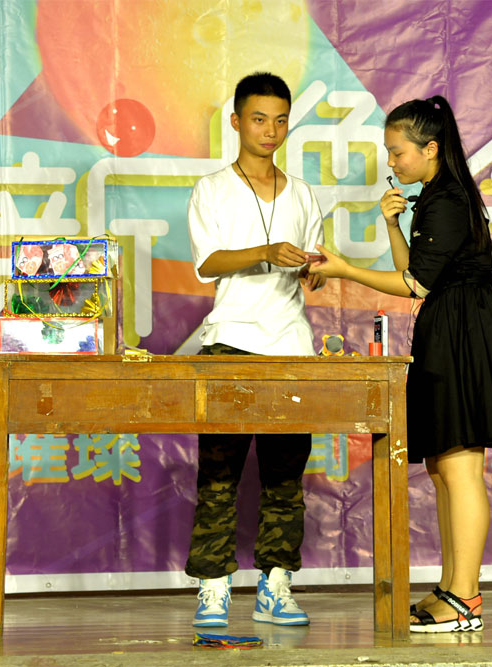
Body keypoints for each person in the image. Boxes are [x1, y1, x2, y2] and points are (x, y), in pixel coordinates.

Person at [309, 95, 492, 633]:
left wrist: (343, 269)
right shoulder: (432, 196)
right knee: (442, 467)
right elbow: (418, 272)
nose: (391, 162)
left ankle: (465, 598)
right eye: (388, 152)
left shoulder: (448, 198)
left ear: (430, 148)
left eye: (397, 152)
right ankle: (452, 588)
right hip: (446, 328)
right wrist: (392, 226)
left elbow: (414, 284)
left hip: (465, 334)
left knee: (461, 467)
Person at [185, 72, 325, 628]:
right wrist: (264, 250)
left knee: (286, 478)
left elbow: (313, 263)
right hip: (230, 342)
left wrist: (313, 272)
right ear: (237, 121)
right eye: (259, 119)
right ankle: (213, 589)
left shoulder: (305, 194)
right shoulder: (212, 188)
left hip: (292, 347)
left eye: (281, 120)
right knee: (218, 476)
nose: (270, 130)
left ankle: (276, 586)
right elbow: (207, 263)